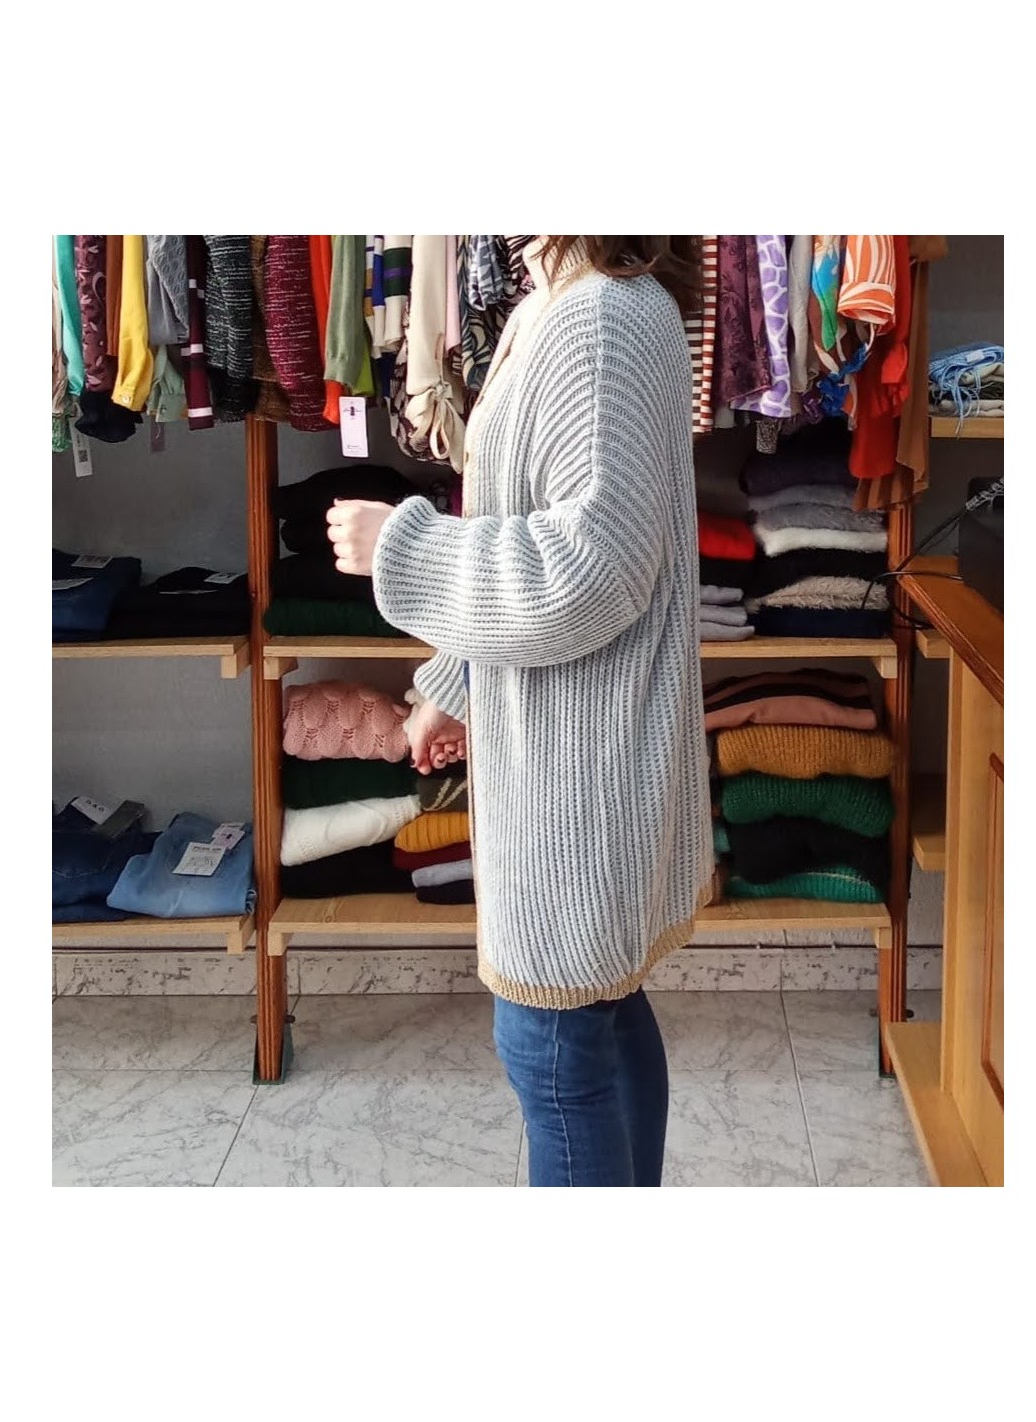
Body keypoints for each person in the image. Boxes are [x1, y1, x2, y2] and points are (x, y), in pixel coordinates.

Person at [326, 236, 714, 1187]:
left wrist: (402, 548)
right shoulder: (559, 300)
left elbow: (592, 569)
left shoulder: (602, 319)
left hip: (579, 770)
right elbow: (524, 517)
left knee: (551, 1043)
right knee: (596, 1018)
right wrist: (452, 686)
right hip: (569, 747)